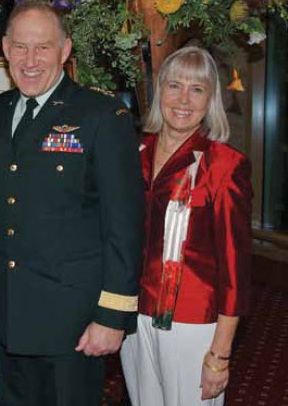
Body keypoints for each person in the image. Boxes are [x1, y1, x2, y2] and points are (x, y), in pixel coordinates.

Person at [0, 0, 144, 406]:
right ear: (5, 49)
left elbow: (123, 225)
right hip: (8, 311)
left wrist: (112, 316)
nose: (30, 60)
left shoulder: (101, 115)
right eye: (20, 47)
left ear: (65, 50)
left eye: (43, 47)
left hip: (72, 320)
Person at [120, 46, 252, 406]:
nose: (183, 99)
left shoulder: (225, 165)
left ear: (211, 100)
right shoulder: (133, 154)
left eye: (197, 89)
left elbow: (235, 270)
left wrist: (220, 355)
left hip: (192, 324)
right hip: (133, 316)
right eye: (174, 85)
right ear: (158, 90)